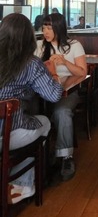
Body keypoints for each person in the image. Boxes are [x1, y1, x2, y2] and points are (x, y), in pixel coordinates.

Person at [0, 13, 60, 201]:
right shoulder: (31, 64)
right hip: (10, 134)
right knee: (44, 122)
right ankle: (23, 184)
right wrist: (53, 75)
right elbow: (54, 95)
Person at [36, 13, 87, 181]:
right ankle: (39, 156)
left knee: (62, 112)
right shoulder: (39, 46)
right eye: (44, 28)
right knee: (31, 110)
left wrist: (65, 62)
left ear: (59, 28)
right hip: (42, 91)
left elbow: (82, 72)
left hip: (68, 91)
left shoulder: (74, 45)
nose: (46, 32)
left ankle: (66, 156)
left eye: (49, 28)